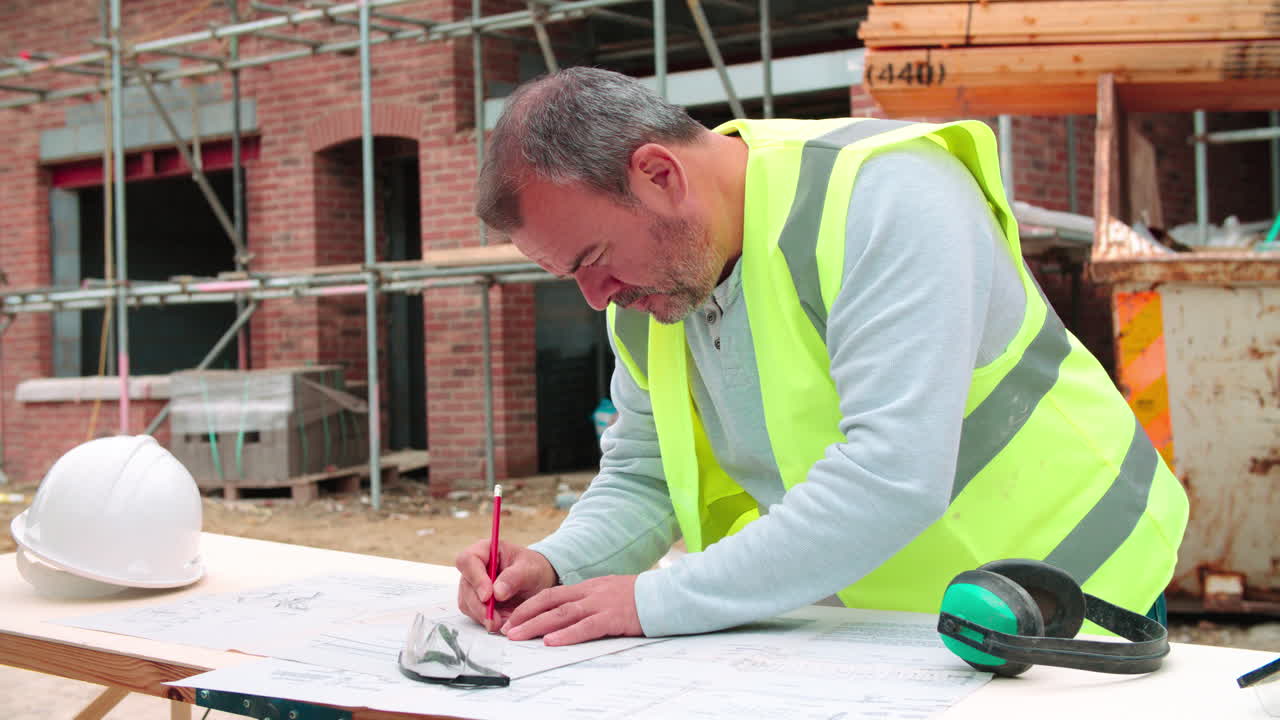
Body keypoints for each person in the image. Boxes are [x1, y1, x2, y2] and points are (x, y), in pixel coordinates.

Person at [454, 67, 1189, 647]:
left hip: (1068, 593)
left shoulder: (885, 194)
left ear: (659, 175)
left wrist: (656, 600)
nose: (594, 298)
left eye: (593, 258)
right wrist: (557, 563)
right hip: (894, 622)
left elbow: (891, 475)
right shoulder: (650, 293)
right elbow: (646, 475)